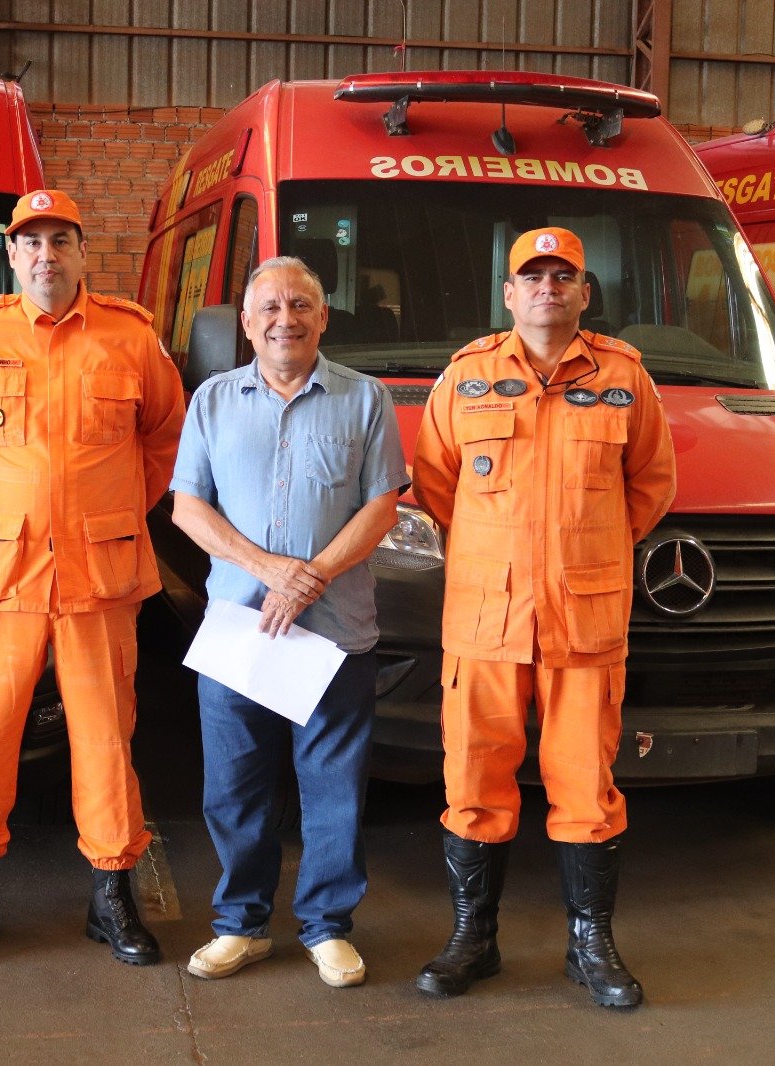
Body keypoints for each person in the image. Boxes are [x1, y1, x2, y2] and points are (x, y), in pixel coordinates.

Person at [0, 189, 185, 966]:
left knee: (105, 737)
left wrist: (117, 511)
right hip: (3, 576)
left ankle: (112, 894)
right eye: (30, 242)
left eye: (60, 240)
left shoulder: (129, 335)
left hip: (101, 574)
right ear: (11, 254)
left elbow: (167, 436)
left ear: (82, 252)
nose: (45, 256)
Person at [412, 227, 676, 1009]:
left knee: (588, 786)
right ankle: (474, 938)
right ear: (509, 293)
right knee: (473, 780)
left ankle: (591, 946)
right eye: (533, 276)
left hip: (584, 620)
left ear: (585, 293)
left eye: (564, 276)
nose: (548, 288)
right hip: (486, 620)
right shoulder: (466, 378)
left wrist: (587, 548)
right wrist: (501, 551)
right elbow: (436, 484)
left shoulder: (625, 378)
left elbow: (651, 484)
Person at [170, 257, 408, 988]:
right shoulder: (212, 401)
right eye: (269, 307)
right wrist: (270, 569)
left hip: (334, 633)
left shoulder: (366, 399)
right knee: (234, 788)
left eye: (300, 305)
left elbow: (381, 508)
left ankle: (327, 927)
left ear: (323, 316)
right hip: (239, 633)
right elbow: (188, 507)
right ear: (246, 323)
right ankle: (240, 925)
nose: (285, 319)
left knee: (333, 789)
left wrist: (312, 577)